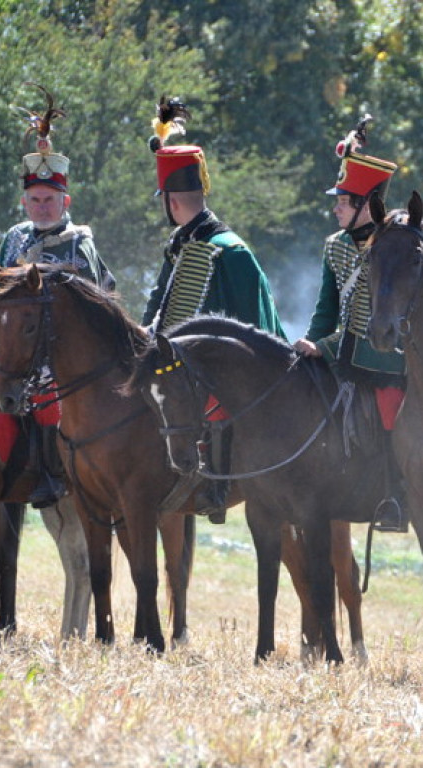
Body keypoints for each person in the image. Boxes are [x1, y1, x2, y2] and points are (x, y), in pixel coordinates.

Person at [143, 97, 286, 523]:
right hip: (180, 358)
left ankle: (216, 484)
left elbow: (252, 327)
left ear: (171, 201)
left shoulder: (229, 249)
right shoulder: (182, 243)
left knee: (210, 400)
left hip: (229, 370)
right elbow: (160, 301)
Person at [0, 85, 116, 509]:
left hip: (65, 352)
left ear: (65, 200)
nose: (42, 207)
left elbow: (99, 300)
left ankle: (48, 470)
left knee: (40, 388)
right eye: (35, 200)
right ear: (25, 200)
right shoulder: (14, 238)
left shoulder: (79, 243)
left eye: (49, 199)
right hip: (16, 339)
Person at [293, 116, 409, 533]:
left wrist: (325, 346)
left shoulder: (393, 245)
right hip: (338, 351)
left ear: (365, 205)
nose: (335, 207)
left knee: (389, 404)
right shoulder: (334, 247)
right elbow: (326, 309)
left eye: (343, 200)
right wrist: (312, 341)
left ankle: (395, 496)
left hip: (380, 356)